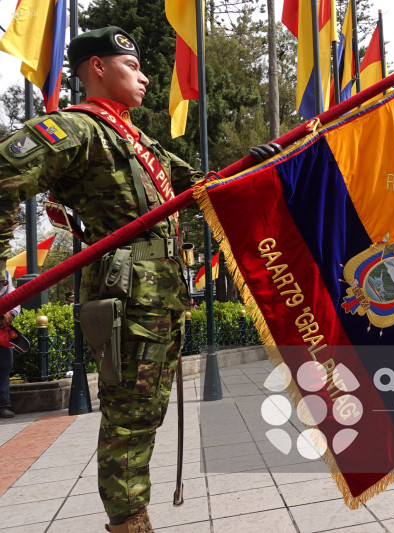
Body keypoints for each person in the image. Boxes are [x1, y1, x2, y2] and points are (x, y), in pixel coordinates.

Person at [0, 27, 280, 532]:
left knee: (145, 413)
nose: (145, 76)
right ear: (97, 68)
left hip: (161, 297)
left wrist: (256, 170)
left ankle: (134, 518)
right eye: (131, 66)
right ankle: (130, 524)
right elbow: (3, 175)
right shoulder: (76, 129)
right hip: (126, 297)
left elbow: (204, 188)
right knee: (128, 419)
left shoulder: (138, 141)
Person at [0, 268, 20, 418]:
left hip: (2, 331)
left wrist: (10, 313)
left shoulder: (5, 274)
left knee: (4, 365)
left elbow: (14, 296)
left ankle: (4, 404)